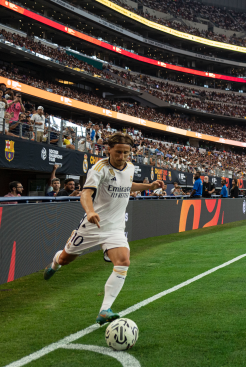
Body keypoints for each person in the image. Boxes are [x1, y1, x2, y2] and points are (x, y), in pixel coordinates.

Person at [43, 132, 165, 325]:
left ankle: (105, 309)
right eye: (118, 152)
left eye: (126, 153)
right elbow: (85, 194)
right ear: (109, 149)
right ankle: (55, 263)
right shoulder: (99, 168)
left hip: (115, 228)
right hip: (93, 225)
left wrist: (148, 185)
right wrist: (90, 212)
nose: (122, 156)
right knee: (66, 259)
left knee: (123, 261)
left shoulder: (130, 167)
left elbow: (127, 185)